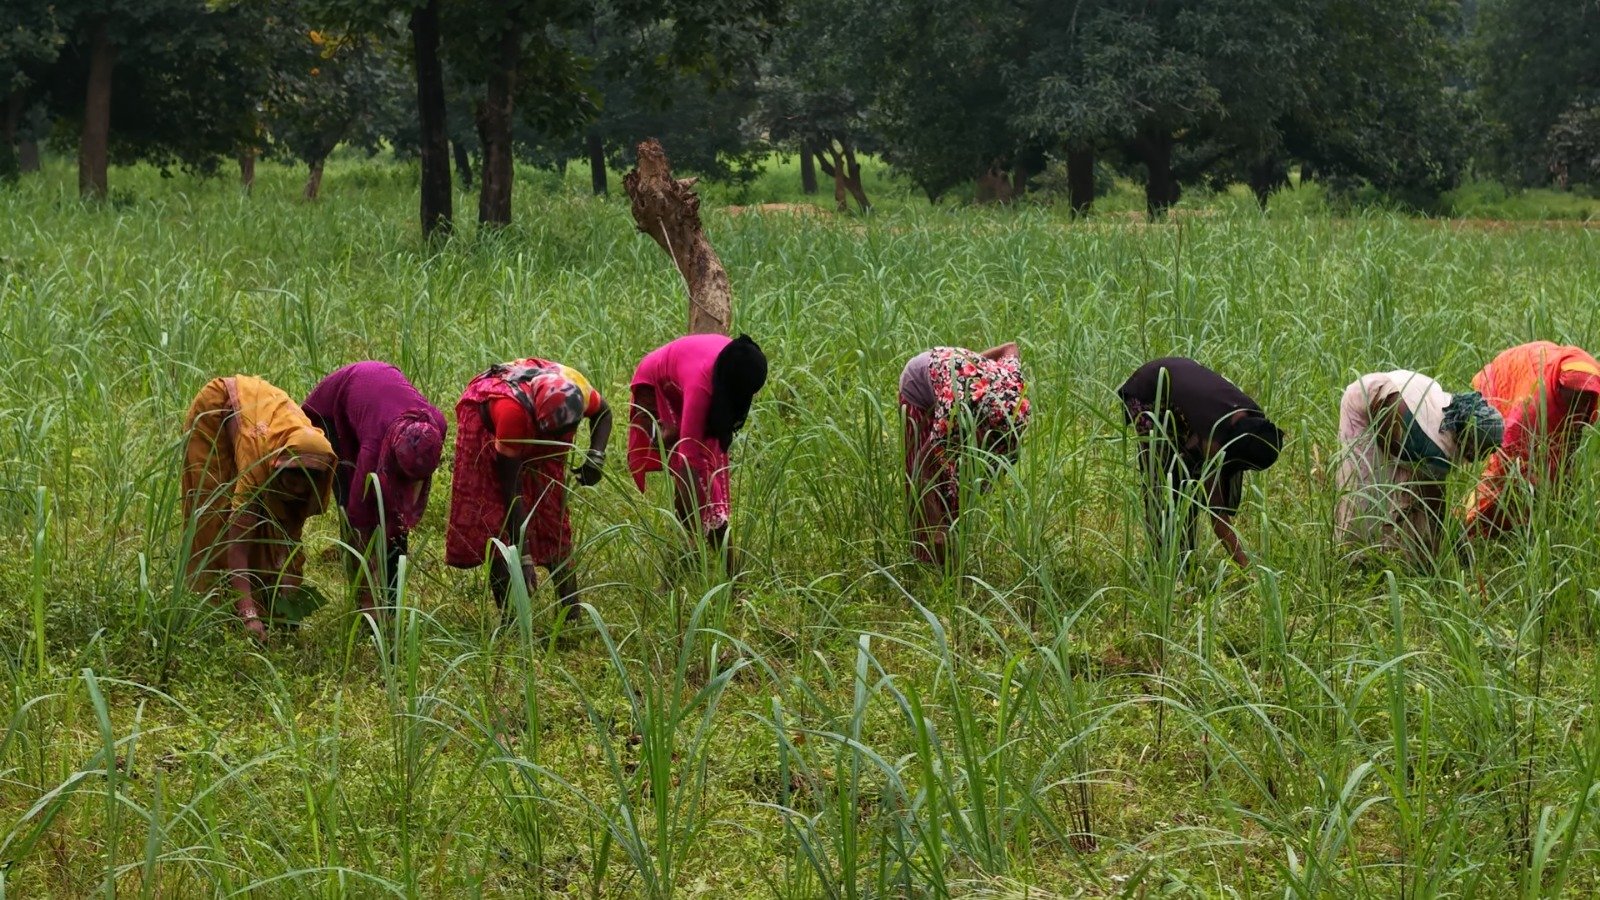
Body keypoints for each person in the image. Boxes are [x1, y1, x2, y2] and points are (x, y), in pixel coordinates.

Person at [445, 358, 612, 615]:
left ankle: (571, 615)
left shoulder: (578, 390)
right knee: (493, 516)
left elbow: (604, 413)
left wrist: (596, 457)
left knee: (552, 514)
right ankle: (511, 618)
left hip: (537, 416)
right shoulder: (512, 414)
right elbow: (511, 490)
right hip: (487, 420)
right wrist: (522, 557)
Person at [181, 375, 336, 640]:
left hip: (260, 413)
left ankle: (264, 602)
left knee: (270, 526)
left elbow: (288, 536)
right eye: (290, 480)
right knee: (214, 518)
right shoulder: (259, 461)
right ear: (277, 468)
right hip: (216, 411)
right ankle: (218, 608)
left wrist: (287, 599)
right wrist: (249, 615)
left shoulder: (316, 459)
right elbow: (238, 545)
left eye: (304, 483)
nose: (297, 490)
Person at [302, 361, 446, 620]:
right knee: (350, 498)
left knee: (396, 516)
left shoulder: (436, 425)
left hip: (375, 396)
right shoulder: (374, 446)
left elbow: (401, 506)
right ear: (391, 453)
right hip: (330, 409)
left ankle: (391, 600)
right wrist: (369, 586)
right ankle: (362, 600)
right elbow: (358, 517)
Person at [1117, 357, 1284, 568]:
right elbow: (1216, 512)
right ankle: (1162, 561)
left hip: (1178, 381)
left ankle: (1182, 555)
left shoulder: (1252, 418)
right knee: (1164, 478)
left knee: (1188, 474)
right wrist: (1244, 564)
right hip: (1148, 390)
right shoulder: (1214, 436)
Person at [627, 334, 767, 565]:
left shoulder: (739, 362)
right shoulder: (700, 387)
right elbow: (689, 460)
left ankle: (687, 553)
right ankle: (721, 569)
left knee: (705, 473)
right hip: (658, 383)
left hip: (690, 376)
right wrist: (704, 511)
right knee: (701, 481)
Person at [1334, 370, 1503, 560]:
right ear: (1470, 439)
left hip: (1403, 403)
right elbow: (1432, 500)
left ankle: (1390, 553)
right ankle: (1353, 557)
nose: (1481, 457)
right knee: (1365, 490)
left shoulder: (1452, 421)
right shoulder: (1432, 443)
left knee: (1407, 493)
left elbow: (1433, 497)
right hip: (1365, 402)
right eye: (1482, 450)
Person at [898, 343, 1032, 565]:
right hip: (919, 386)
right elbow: (921, 466)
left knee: (958, 486)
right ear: (977, 426)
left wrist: (972, 367)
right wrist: (936, 524)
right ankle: (926, 558)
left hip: (956, 388)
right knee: (932, 479)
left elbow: (1010, 347)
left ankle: (951, 551)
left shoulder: (1014, 392)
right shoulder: (956, 416)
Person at [1464, 341, 1600, 532]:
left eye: (1584, 400)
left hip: (1538, 364)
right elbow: (1504, 457)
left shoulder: (1589, 389)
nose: (1579, 408)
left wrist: (1563, 495)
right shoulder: (1530, 406)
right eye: (1574, 401)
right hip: (1510, 376)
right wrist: (1475, 512)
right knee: (1513, 472)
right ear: (1559, 389)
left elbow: (1570, 445)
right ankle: (1466, 522)